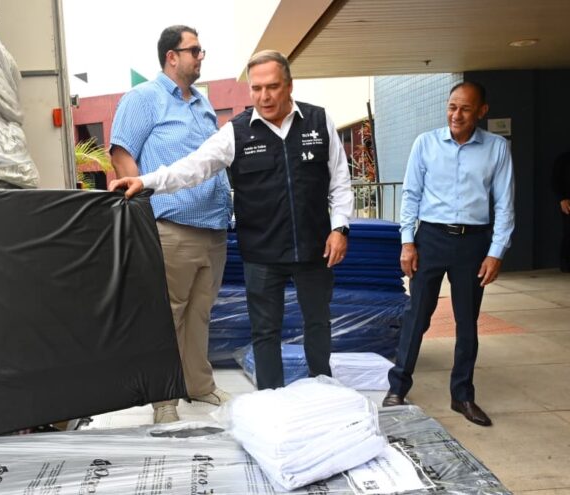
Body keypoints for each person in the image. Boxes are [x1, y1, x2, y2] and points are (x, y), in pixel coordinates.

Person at [109, 49, 353, 391]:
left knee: (318, 324)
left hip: (315, 249)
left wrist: (340, 228)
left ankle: (323, 392)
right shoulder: (236, 132)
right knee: (265, 332)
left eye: (272, 87)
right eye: (256, 88)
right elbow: (193, 167)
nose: (264, 96)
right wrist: (145, 181)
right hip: (262, 253)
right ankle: (272, 400)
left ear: (289, 85)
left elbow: (340, 181)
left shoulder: (318, 121)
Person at [109, 25, 233, 424]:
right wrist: (141, 213)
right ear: (171, 56)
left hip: (213, 228)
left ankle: (198, 384)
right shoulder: (144, 98)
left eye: (201, 50)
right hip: (171, 227)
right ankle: (164, 399)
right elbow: (121, 154)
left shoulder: (202, 103)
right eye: (194, 50)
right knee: (168, 316)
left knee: (200, 313)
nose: (201, 56)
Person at [382, 81, 515, 427]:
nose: (456, 114)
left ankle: (462, 395)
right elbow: (411, 195)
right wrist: (407, 242)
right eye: (452, 106)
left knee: (466, 322)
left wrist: (496, 252)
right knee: (417, 316)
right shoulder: (425, 143)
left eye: (465, 108)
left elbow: (505, 204)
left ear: (481, 111)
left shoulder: (497, 148)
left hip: (473, 244)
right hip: (430, 239)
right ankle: (397, 387)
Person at [552, 150, 570, 272]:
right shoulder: (564, 159)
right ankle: (566, 264)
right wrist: (562, 199)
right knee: (568, 232)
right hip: (568, 201)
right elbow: (556, 180)